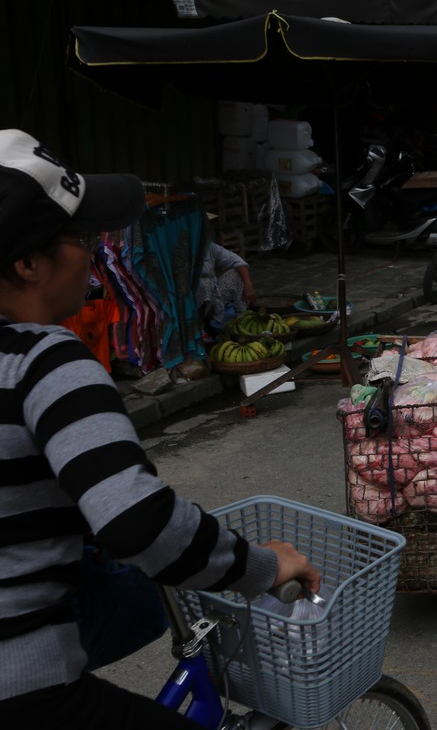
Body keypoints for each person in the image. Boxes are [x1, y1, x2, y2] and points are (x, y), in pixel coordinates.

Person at [0, 129, 321, 728]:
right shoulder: (44, 361)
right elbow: (136, 521)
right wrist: (263, 565)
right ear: (28, 263)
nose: (95, 253)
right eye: (81, 237)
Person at [198, 240, 257, 332]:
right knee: (204, 284)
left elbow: (238, 261)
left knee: (238, 273)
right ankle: (200, 328)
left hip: (214, 295)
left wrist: (248, 285)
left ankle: (242, 320)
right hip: (192, 302)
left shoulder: (209, 247)